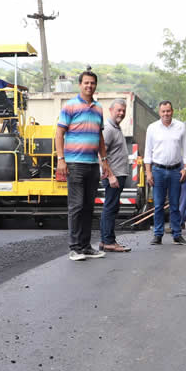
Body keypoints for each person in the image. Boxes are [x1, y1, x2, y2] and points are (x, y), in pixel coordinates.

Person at [54, 71, 110, 261]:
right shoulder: (70, 107)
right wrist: (61, 159)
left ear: (96, 85)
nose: (89, 86)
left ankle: (86, 246)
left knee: (88, 207)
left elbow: (100, 137)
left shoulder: (99, 109)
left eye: (93, 83)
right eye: (86, 83)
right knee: (76, 206)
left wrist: (104, 161)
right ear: (80, 85)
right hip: (75, 164)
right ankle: (74, 248)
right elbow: (59, 133)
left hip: (93, 165)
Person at [144, 100, 186, 245]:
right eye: (163, 111)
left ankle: (177, 234)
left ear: (172, 111)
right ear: (159, 112)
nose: (166, 114)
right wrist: (148, 172)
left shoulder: (180, 127)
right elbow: (147, 152)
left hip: (176, 170)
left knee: (175, 204)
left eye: (168, 111)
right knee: (158, 205)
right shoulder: (152, 128)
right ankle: (158, 235)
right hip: (158, 170)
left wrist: (185, 168)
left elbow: (185, 149)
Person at [100, 99, 132, 253]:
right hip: (113, 176)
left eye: (123, 111)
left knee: (112, 207)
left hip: (118, 174)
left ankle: (105, 240)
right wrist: (110, 176)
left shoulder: (116, 128)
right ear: (111, 110)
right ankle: (108, 242)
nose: (121, 113)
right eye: (118, 110)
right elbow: (101, 154)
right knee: (110, 208)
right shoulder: (108, 129)